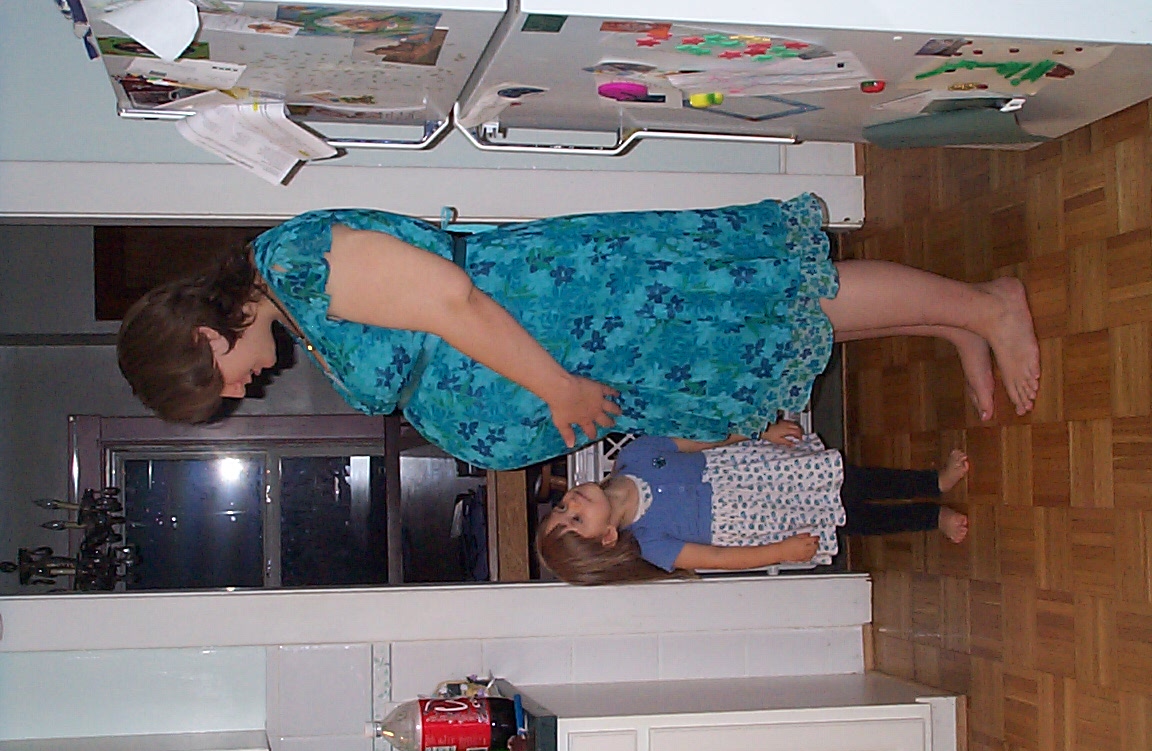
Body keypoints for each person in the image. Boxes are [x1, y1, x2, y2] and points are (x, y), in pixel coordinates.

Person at [117, 194, 1039, 471]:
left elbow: (452, 301)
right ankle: (951, 319)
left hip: (581, 305)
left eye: (218, 385)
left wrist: (555, 389)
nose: (239, 392)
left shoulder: (299, 264)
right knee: (768, 342)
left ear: (205, 338)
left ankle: (986, 306)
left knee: (782, 302)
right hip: (582, 338)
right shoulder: (295, 306)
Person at [537, 421, 970, 585]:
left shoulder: (633, 455)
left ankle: (932, 481)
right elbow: (719, 558)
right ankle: (930, 516)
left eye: (562, 509)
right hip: (765, 520)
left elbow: (702, 441)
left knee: (854, 480)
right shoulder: (651, 544)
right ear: (608, 538)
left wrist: (759, 433)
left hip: (766, 472)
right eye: (577, 519)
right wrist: (780, 552)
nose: (571, 503)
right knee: (854, 518)